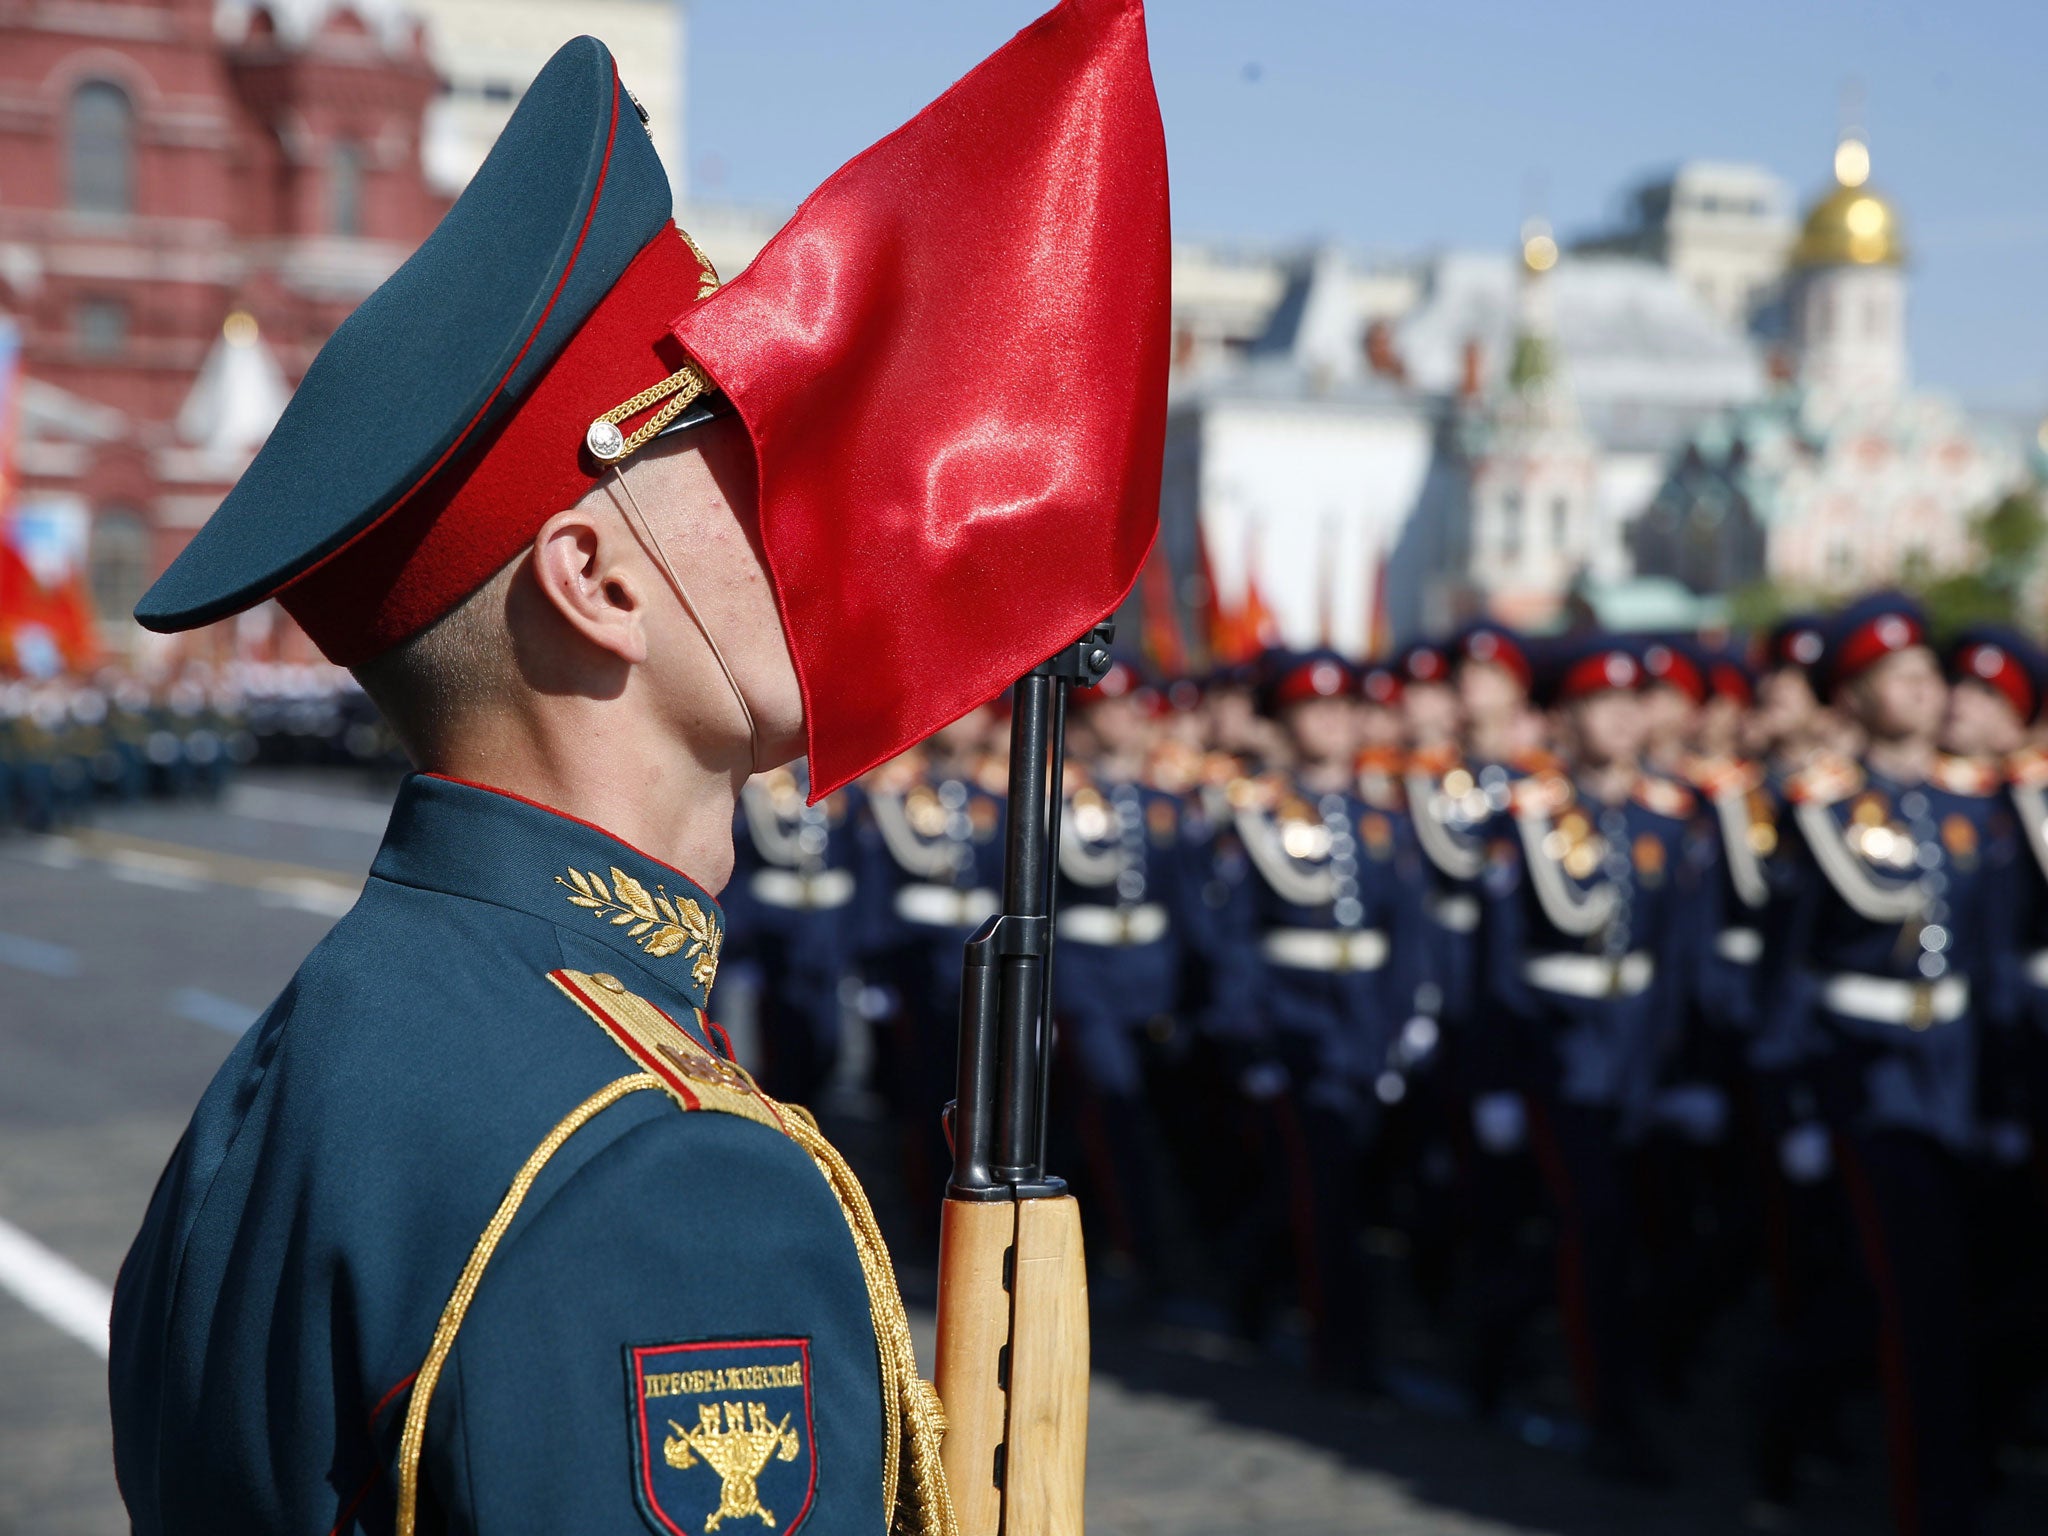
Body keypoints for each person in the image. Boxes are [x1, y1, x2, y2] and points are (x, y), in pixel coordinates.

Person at [108, 5, 1171, 1532]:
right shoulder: (662, 1176)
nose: (802, 486)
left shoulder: (297, 1066)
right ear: (599, 582)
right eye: (735, 447)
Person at [1763, 593, 2013, 1535]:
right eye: (1895, 678)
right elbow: (1792, 967)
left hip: (1954, 1071)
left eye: (1925, 674)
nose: (1922, 688)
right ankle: (1929, 1507)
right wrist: (1792, 1106)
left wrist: (2001, 1091)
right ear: (1856, 700)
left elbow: (1985, 961)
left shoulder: (1970, 803)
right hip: (1865, 1078)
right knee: (1920, 1302)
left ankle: (1797, 1420)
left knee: (1920, 1294)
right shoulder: (1825, 805)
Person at [1477, 636, 1695, 1483]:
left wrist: (1686, 1066)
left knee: (1633, 1235)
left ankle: (1524, 1339)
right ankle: (1609, 1414)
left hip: (1639, 1051)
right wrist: (1497, 1078)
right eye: (1598, 703)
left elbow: (1680, 952)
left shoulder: (1667, 814)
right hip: (1556, 1054)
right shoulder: (1529, 815)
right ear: (1565, 718)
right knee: (1594, 1229)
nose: (1618, 718)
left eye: (1630, 702)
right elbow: (1497, 962)